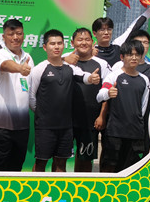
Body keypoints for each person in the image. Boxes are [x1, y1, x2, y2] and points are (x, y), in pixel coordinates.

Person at [29, 29, 100, 172]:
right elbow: (31, 97)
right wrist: (43, 113)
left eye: (59, 43)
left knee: (61, 164)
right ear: (45, 47)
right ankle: (36, 188)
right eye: (52, 44)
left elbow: (83, 76)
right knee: (40, 164)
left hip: (66, 127)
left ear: (64, 45)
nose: (56, 47)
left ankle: (58, 188)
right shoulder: (39, 69)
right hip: (45, 127)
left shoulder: (70, 68)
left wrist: (91, 78)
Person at [96, 41, 150, 173]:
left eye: (137, 55)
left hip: (135, 132)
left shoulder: (144, 79)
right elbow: (99, 96)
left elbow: (143, 107)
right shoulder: (113, 76)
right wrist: (108, 93)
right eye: (130, 55)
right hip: (115, 131)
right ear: (122, 57)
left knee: (131, 169)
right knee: (109, 166)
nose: (134, 58)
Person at [0, 18, 33, 171]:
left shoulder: (28, 58)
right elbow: (6, 65)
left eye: (19, 33)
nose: (15, 37)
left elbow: (29, 91)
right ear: (4, 36)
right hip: (1, 125)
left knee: (17, 168)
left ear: (23, 35)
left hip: (22, 126)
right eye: (11, 34)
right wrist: (20, 68)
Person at [69, 28, 112, 172]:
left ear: (92, 42)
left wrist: (102, 116)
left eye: (87, 40)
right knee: (60, 157)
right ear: (72, 43)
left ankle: (81, 186)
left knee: (85, 159)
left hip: (90, 120)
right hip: (66, 119)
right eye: (80, 40)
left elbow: (107, 92)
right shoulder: (65, 60)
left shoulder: (102, 64)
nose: (84, 43)